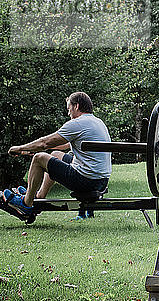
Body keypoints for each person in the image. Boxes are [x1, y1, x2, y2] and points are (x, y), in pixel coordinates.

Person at [2, 92, 112, 220]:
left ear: (76, 106)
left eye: (68, 108)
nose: (68, 113)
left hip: (87, 181)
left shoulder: (77, 124)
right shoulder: (97, 122)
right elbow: (63, 145)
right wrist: (30, 150)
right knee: (55, 155)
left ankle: (26, 204)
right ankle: (39, 195)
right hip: (101, 180)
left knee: (39, 158)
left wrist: (20, 148)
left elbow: (45, 143)